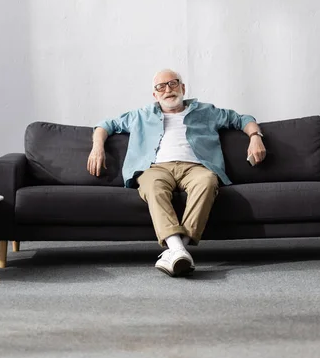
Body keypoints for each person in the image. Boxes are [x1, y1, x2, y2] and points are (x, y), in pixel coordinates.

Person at [87, 69, 266, 277]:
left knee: (207, 181)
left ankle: (177, 250)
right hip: (156, 168)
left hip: (196, 167)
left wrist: (255, 136)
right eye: (160, 87)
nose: (168, 90)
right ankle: (179, 249)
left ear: (182, 88)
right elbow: (105, 125)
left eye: (173, 84)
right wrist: (97, 147)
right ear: (155, 95)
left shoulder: (206, 111)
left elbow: (242, 119)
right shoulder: (141, 115)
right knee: (153, 187)